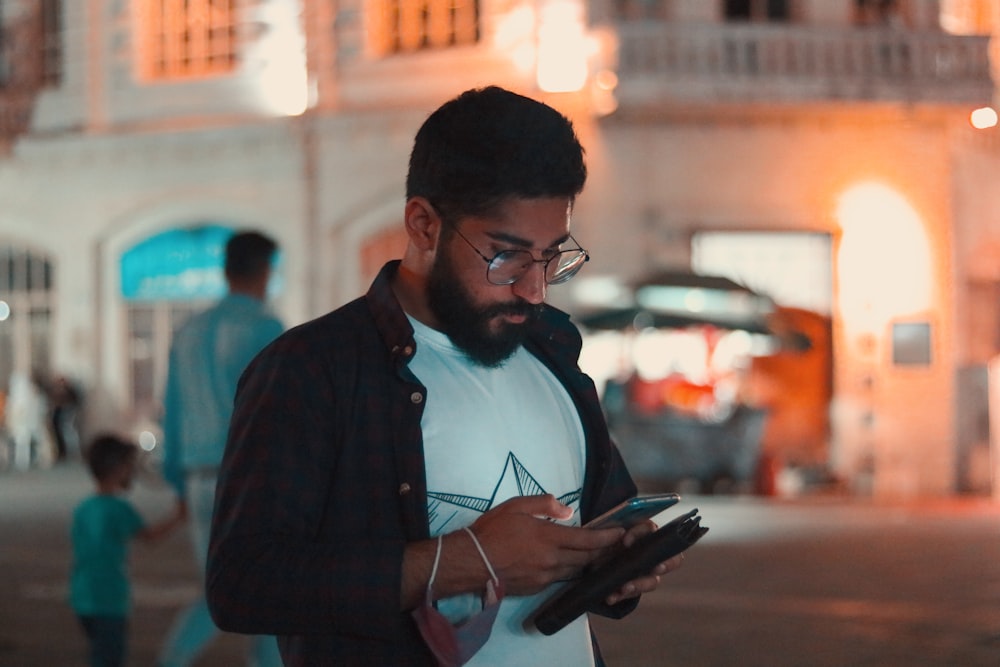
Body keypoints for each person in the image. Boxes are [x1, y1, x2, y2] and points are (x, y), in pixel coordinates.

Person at [206, 86, 684, 666]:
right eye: (505, 255)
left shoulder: (554, 347)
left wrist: (618, 561)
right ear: (423, 224)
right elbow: (243, 584)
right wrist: (462, 560)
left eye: (552, 256)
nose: (534, 289)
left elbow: (604, 517)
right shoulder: (312, 370)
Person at [158, 231, 285, 667]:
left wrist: (176, 484)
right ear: (266, 271)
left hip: (199, 481)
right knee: (263, 588)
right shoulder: (266, 328)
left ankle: (172, 659)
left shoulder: (188, 332)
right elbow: (280, 414)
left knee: (225, 586)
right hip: (252, 481)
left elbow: (171, 413)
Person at [69, 433, 187, 667]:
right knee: (109, 657)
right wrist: (180, 516)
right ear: (118, 469)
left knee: (99, 653)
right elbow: (150, 537)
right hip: (109, 599)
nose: (132, 472)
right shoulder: (118, 509)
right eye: (129, 466)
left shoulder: (84, 508)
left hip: (82, 596)